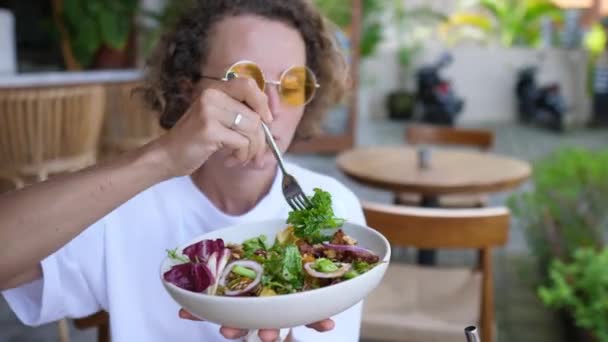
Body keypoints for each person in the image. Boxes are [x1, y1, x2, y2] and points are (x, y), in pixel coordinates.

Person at [0, 0, 365, 341]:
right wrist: (162, 157)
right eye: (243, 78)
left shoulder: (338, 207)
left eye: (293, 84)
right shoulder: (123, 206)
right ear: (189, 90)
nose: (269, 107)